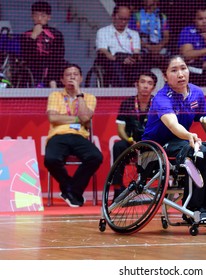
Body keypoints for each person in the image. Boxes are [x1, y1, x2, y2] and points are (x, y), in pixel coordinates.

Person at [142, 55, 206, 221]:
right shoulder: (161, 98)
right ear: (165, 76)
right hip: (156, 148)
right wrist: (189, 135)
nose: (180, 74)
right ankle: (193, 210)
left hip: (182, 144)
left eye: (183, 68)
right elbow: (172, 125)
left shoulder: (196, 93)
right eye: (174, 70)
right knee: (198, 153)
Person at [44, 63, 103, 207]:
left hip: (79, 136)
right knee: (51, 159)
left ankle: (71, 190)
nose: (72, 77)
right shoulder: (55, 96)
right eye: (68, 75)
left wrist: (78, 93)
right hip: (58, 135)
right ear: (62, 80)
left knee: (95, 157)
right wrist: (76, 119)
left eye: (75, 74)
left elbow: (85, 118)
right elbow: (53, 118)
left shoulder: (89, 97)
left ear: (81, 78)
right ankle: (71, 189)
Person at [111, 71, 157, 199]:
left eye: (149, 83)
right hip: (131, 142)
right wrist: (131, 141)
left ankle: (157, 187)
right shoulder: (127, 103)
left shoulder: (158, 103)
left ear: (153, 87)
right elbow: (120, 130)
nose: (145, 86)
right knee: (118, 146)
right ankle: (118, 189)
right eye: (142, 82)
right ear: (136, 84)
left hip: (151, 144)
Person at [21, 1, 66, 88]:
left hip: (52, 66)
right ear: (32, 16)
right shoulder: (26, 35)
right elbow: (26, 55)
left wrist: (52, 78)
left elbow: (59, 56)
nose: (39, 18)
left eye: (43, 16)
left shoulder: (56, 34)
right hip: (33, 67)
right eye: (36, 15)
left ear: (49, 17)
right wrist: (33, 36)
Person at [96, 4, 141, 87]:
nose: (123, 22)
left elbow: (136, 52)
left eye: (126, 19)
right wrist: (120, 59)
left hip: (130, 60)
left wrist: (131, 59)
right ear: (113, 16)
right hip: (113, 60)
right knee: (115, 67)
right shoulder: (103, 32)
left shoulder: (134, 34)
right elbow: (103, 51)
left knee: (143, 67)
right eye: (121, 19)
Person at [128, 0, 170, 69]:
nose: (154, 1)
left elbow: (166, 36)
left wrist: (160, 46)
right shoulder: (136, 16)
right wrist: (148, 46)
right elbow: (132, 36)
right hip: (143, 50)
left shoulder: (162, 16)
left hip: (159, 50)